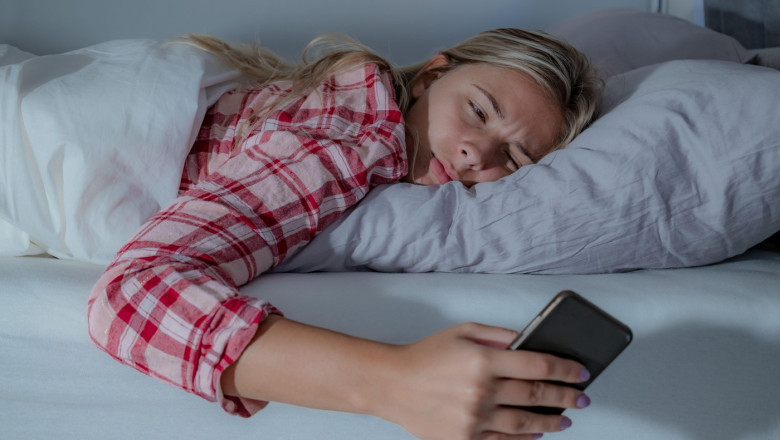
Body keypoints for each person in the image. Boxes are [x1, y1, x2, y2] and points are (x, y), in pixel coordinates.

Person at [87, 28, 601, 440]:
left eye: (513, 158)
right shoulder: (350, 141)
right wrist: (396, 383)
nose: (476, 153)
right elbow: (131, 292)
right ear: (430, 78)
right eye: (478, 111)